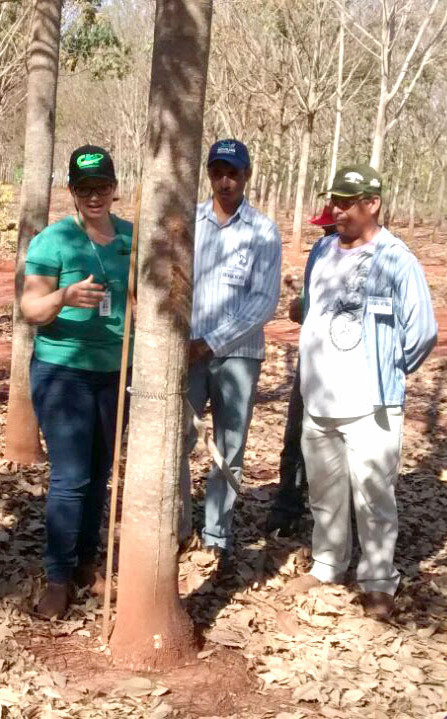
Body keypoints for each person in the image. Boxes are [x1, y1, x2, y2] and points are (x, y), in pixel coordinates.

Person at [282, 165, 436, 621]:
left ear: (373, 204)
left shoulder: (397, 260)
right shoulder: (322, 250)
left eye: (348, 203)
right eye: (335, 201)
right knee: (325, 491)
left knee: (374, 495)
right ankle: (327, 564)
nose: (338, 210)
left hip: (372, 403)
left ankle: (377, 580)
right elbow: (312, 309)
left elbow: (422, 331)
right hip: (320, 399)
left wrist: (387, 369)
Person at [20, 145, 133, 618]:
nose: (94, 196)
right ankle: (58, 576)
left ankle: (89, 561)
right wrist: (65, 295)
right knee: (70, 477)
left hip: (115, 372)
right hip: (63, 370)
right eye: (84, 188)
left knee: (101, 474)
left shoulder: (132, 237)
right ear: (70, 190)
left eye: (102, 187)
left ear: (114, 188)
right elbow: (31, 310)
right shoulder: (53, 241)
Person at [179, 138, 282, 561]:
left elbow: (264, 301)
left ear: (246, 176)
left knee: (230, 445)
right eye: (218, 172)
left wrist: (213, 342)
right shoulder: (188, 222)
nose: (225, 181)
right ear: (208, 174)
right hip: (186, 353)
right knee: (179, 440)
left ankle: (217, 533)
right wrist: (186, 342)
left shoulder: (263, 231)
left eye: (233, 173)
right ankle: (179, 524)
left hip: (239, 356)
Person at [264, 200, 337, 537]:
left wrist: (305, 306)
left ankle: (333, 518)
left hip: (344, 370)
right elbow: (312, 302)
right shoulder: (320, 251)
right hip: (311, 360)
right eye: (323, 228)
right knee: (296, 436)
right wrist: (301, 306)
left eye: (330, 227)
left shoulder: (374, 255)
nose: (326, 233)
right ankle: (287, 506)